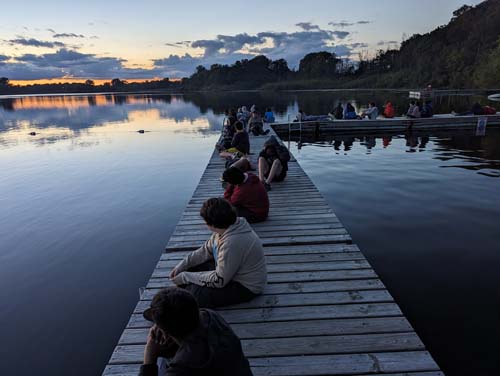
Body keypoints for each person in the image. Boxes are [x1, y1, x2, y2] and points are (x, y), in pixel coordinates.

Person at [170, 198, 267, 308]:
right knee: (191, 268)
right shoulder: (228, 227)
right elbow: (205, 251)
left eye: (205, 222)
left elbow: (219, 280)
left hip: (246, 286)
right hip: (231, 272)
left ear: (212, 224)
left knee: (195, 295)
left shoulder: (232, 242)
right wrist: (183, 265)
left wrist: (185, 277)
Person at [140, 287, 253, 376]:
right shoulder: (211, 315)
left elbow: (186, 362)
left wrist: (149, 356)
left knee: (161, 364)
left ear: (167, 332)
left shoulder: (183, 367)